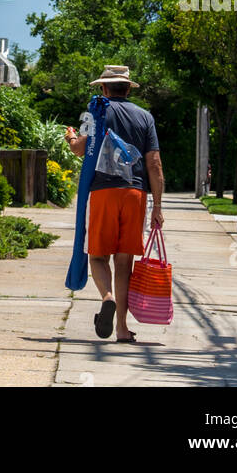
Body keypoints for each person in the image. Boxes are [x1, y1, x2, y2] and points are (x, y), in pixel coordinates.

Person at [65, 64, 165, 343]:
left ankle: (106, 297)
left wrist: (71, 137)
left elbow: (80, 148)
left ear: (104, 88)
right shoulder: (145, 117)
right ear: (127, 88)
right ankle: (121, 328)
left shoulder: (96, 111)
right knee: (124, 262)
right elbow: (154, 164)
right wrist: (157, 206)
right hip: (135, 194)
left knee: (97, 256)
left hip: (102, 192)